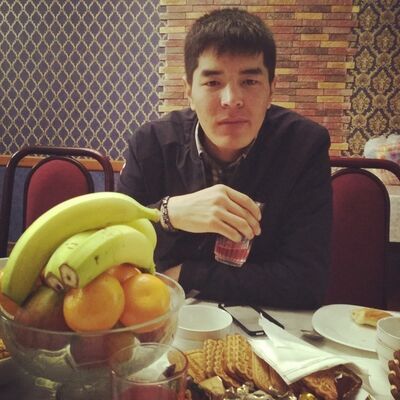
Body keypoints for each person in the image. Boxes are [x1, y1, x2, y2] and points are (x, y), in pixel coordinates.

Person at [117, 8, 332, 308]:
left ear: (272, 89)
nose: (232, 100)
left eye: (250, 81)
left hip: (266, 324)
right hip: (162, 314)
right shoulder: (150, 144)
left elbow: (307, 282)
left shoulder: (304, 147)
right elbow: (114, 246)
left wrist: (188, 275)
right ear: (189, 91)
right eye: (213, 83)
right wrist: (169, 213)